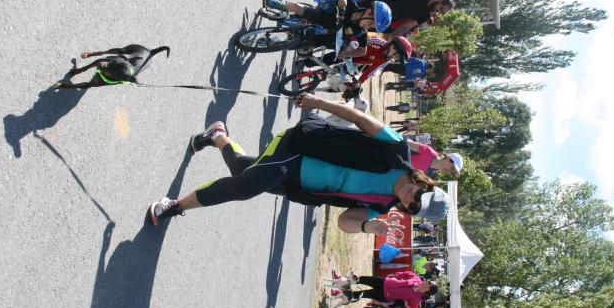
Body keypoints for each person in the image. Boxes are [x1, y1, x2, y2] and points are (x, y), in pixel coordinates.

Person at [147, 93, 450, 232]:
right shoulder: (396, 151)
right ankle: (174, 205)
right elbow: (360, 118)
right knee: (244, 188)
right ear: (424, 183)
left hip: (299, 184)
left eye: (414, 208)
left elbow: (344, 222)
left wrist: (366, 226)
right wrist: (318, 103)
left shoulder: (382, 205)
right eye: (419, 196)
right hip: (301, 149)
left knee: (241, 168)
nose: (411, 200)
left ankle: (217, 135)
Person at [262, 0, 392, 59]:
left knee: (296, 45)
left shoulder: (360, 32)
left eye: (372, 27)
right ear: (368, 12)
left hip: (323, 36)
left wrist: (347, 54)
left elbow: (363, 51)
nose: (369, 27)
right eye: (371, 23)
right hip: (322, 16)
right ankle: (281, 5)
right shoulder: (352, 5)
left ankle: (268, 42)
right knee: (299, 8)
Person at [367, 0, 455, 36]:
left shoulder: (425, 16)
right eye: (441, 9)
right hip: (380, 3)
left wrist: (391, 38)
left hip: (383, 20)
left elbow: (405, 27)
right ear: (441, 0)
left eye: (441, 12)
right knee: (359, 8)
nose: (438, 12)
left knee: (361, 29)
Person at [343, 271, 437, 308]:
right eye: (429, 280)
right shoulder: (416, 279)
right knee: (363, 279)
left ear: (428, 289)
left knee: (363, 294)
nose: (427, 281)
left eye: (429, 282)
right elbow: (407, 273)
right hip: (385, 282)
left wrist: (400, 305)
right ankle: (344, 282)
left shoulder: (417, 299)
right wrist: (396, 275)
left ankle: (343, 295)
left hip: (385, 295)